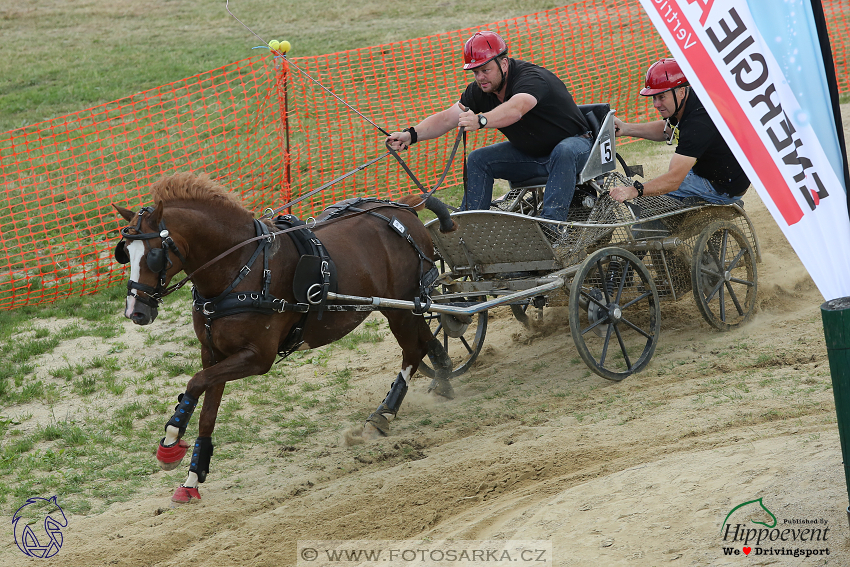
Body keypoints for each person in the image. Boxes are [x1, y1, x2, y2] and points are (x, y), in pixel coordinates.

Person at [387, 30, 593, 222]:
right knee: (478, 159)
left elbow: (516, 108)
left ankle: (551, 227)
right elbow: (447, 118)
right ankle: (469, 228)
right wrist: (410, 135)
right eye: (475, 72)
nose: (480, 78)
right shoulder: (480, 90)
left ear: (504, 64)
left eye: (485, 70)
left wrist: (481, 120)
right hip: (533, 156)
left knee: (564, 150)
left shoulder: (530, 79)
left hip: (577, 148)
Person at [609, 58, 750, 204]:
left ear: (681, 92)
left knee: (648, 203)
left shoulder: (698, 123)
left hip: (722, 187)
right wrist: (626, 128)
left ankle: (718, 207)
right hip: (716, 172)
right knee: (651, 190)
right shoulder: (686, 101)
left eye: (661, 97)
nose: (656, 104)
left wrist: (634, 190)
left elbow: (674, 180)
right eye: (654, 98)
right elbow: (668, 129)